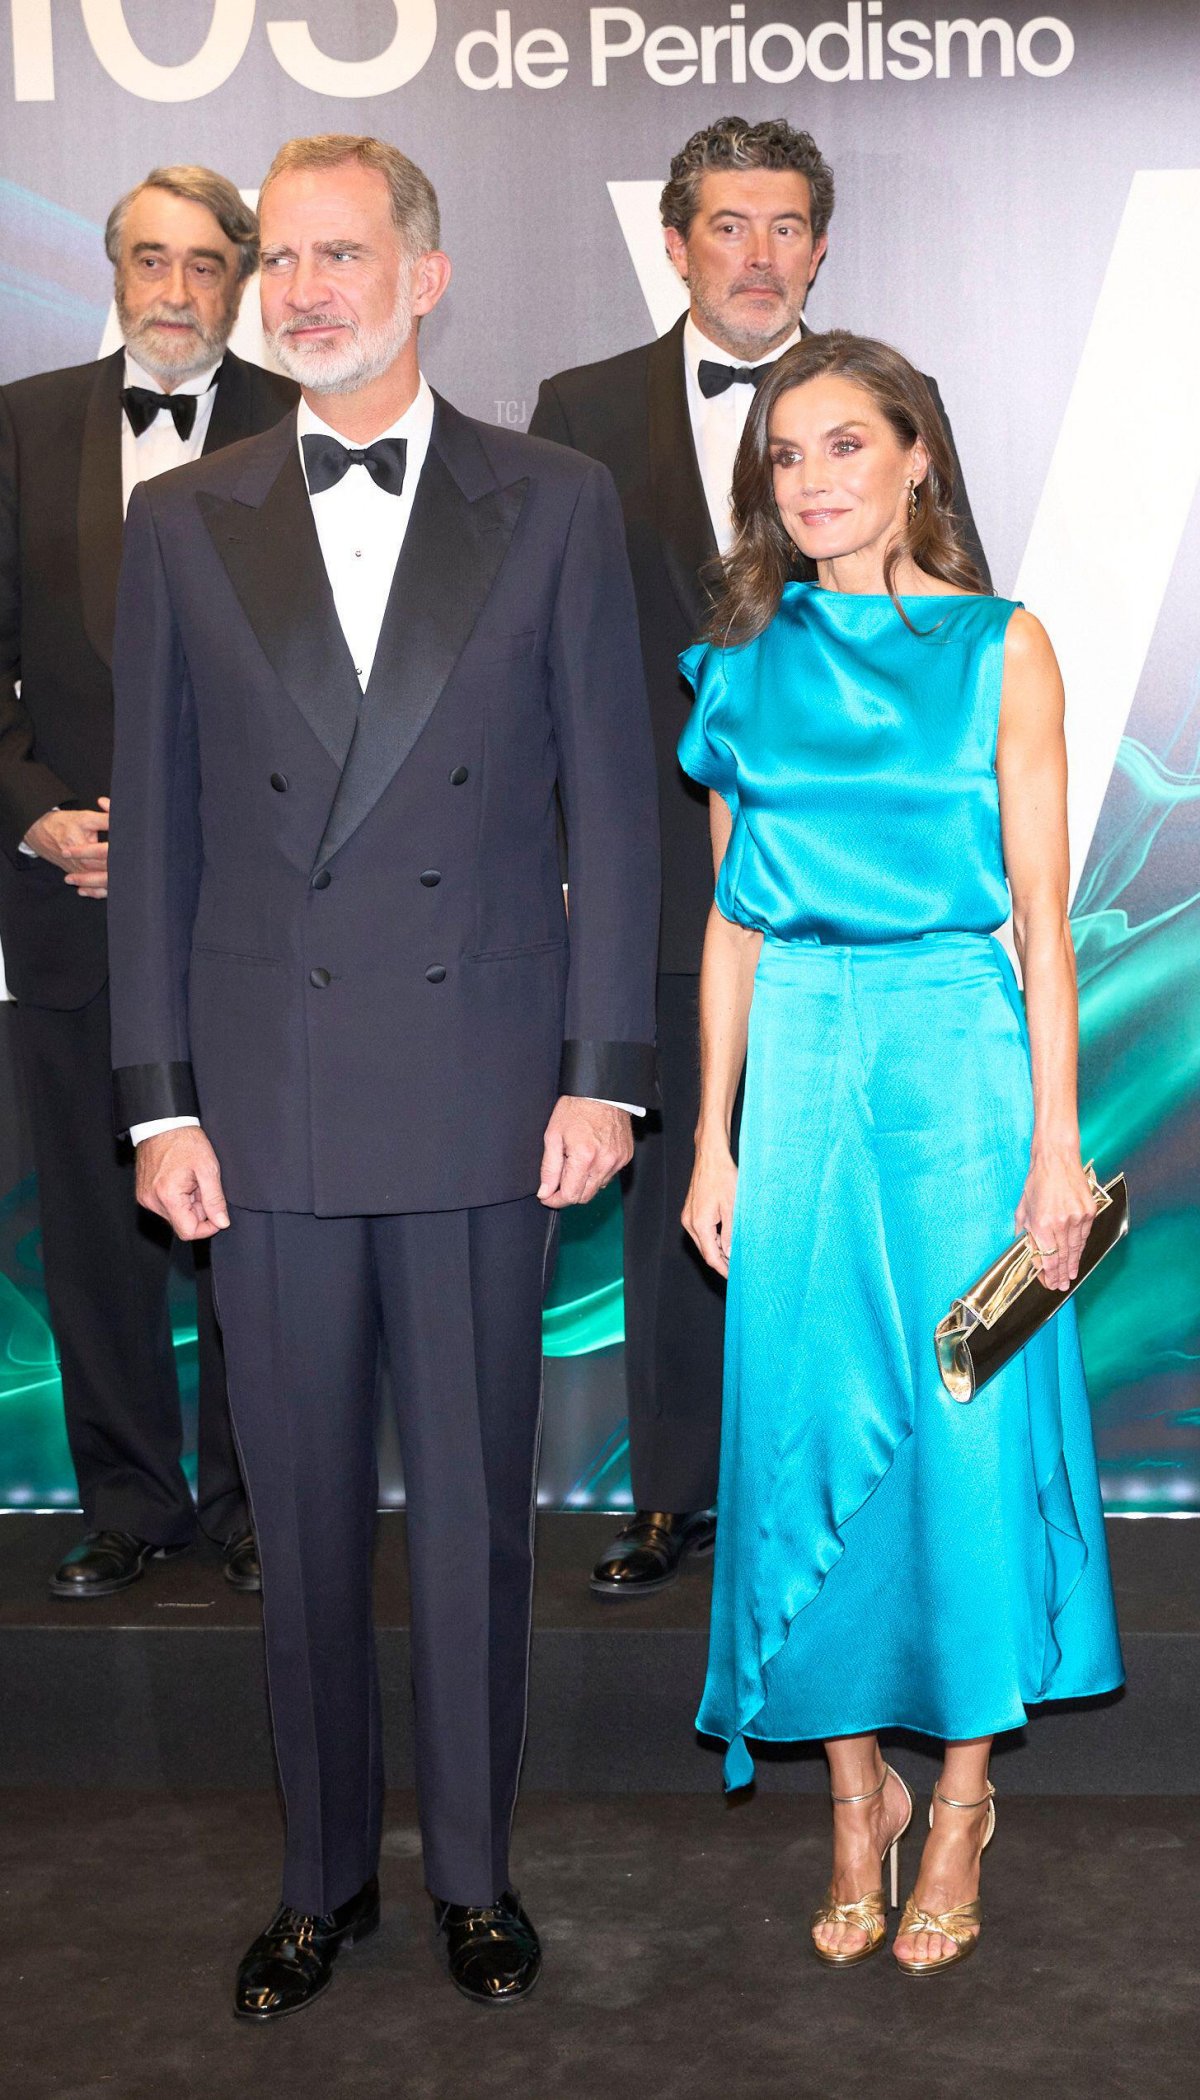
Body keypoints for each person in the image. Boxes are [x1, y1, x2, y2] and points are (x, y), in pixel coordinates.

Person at [107, 133, 659, 2014]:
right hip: (261, 1109)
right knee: (308, 1519)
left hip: (490, 1091)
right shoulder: (187, 518)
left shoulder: (561, 499)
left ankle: (477, 1878)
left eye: (344, 253)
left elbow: (619, 802)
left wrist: (605, 1071)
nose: (302, 286)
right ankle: (320, 1877)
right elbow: (160, 837)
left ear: (428, 275)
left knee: (483, 1514)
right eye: (283, 257)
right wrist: (157, 1097)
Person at [679, 331, 1123, 1975]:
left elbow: (1043, 921)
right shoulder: (738, 663)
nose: (813, 482)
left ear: (917, 455)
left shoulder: (1003, 648)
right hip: (797, 1060)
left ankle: (958, 1801)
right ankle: (849, 1794)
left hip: (958, 1062)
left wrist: (1058, 1149)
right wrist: (712, 1141)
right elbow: (728, 926)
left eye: (846, 445)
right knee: (797, 1424)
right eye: (785, 456)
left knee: (959, 1419)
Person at [531, 116, 989, 1599]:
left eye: (786, 225)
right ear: (675, 243)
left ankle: (865, 1507)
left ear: (820, 245)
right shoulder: (580, 408)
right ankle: (676, 1494)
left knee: (857, 1208)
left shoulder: (875, 407)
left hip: (866, 890)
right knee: (691, 1177)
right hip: (664, 875)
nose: (757, 253)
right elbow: (549, 656)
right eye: (728, 225)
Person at [0, 166, 297, 1599]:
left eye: (202, 265)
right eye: (148, 261)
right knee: (92, 1219)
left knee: (249, 1214)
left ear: (240, 280)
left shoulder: (305, 429)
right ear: (109, 271)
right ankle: (128, 1497)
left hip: (242, 915)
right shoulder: (22, 423)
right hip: (67, 910)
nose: (173, 291)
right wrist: (39, 814)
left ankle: (254, 1497)